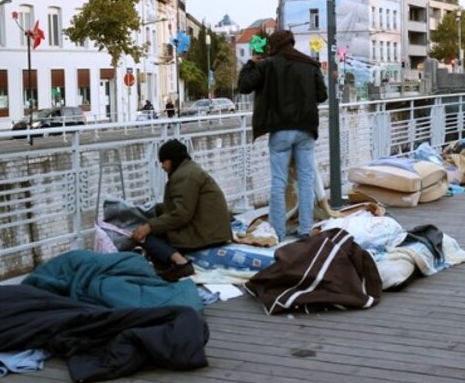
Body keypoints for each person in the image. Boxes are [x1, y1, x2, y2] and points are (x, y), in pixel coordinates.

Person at [237, 29, 328, 240]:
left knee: (279, 181)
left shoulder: (267, 65)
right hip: (305, 129)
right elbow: (321, 95)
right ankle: (305, 229)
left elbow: (244, 87)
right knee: (306, 180)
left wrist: (251, 63)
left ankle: (277, 232)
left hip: (280, 130)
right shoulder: (309, 64)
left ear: (275, 45)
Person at [131, 139, 232, 281]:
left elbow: (181, 215)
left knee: (148, 237)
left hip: (207, 235)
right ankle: (167, 263)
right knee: (156, 227)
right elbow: (180, 206)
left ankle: (181, 263)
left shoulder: (184, 176)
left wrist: (149, 226)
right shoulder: (189, 170)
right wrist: (154, 211)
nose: (162, 166)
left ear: (172, 159)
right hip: (212, 229)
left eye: (163, 161)